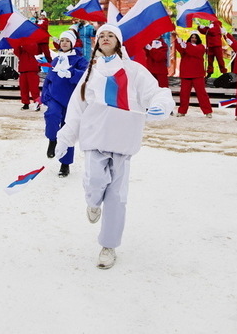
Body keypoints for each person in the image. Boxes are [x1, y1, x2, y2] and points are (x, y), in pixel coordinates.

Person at [56, 24, 175, 269]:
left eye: (111, 35)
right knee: (94, 182)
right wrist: (65, 137)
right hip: (95, 135)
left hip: (123, 138)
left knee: (117, 197)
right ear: (97, 43)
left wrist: (161, 105)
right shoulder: (91, 71)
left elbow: (157, 92)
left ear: (119, 42)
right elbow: (77, 107)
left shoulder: (134, 70)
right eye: (102, 35)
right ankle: (92, 201)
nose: (106, 38)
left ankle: (108, 246)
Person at [40, 30, 89, 176]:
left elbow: (87, 75)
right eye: (62, 40)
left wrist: (72, 74)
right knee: (52, 115)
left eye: (67, 40)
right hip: (55, 97)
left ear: (72, 43)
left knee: (68, 130)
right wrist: (45, 96)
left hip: (72, 100)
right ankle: (52, 139)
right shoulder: (57, 59)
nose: (64, 43)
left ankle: (65, 164)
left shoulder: (79, 60)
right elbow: (49, 79)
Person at [174, 31, 213, 118]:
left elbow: (195, 52)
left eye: (195, 37)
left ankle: (207, 111)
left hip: (197, 74)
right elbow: (179, 49)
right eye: (192, 37)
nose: (193, 39)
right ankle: (182, 111)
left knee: (202, 94)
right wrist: (178, 41)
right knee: (184, 94)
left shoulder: (201, 47)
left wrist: (185, 45)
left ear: (198, 39)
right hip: (186, 74)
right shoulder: (186, 46)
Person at [15, 40, 40, 110]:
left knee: (34, 88)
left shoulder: (33, 42)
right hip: (23, 69)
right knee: (23, 88)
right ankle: (25, 103)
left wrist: (24, 43)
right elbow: (17, 53)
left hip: (32, 69)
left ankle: (37, 103)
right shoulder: (21, 45)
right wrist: (17, 45)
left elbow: (33, 50)